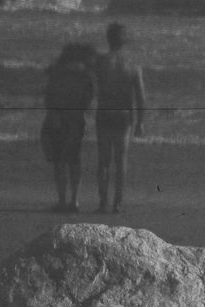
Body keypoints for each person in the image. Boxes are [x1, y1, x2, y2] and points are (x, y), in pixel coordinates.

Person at [95, 22, 146, 214]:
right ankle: (117, 203)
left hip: (104, 114)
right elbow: (141, 96)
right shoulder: (132, 66)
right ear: (125, 41)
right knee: (121, 160)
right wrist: (141, 121)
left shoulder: (99, 62)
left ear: (108, 39)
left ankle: (102, 203)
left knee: (104, 161)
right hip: (123, 116)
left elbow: (90, 86)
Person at [40, 41, 96, 212]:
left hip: (57, 118)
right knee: (74, 160)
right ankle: (75, 200)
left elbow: (49, 97)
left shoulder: (56, 72)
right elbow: (88, 99)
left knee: (59, 161)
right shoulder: (85, 75)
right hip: (76, 119)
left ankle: (62, 200)